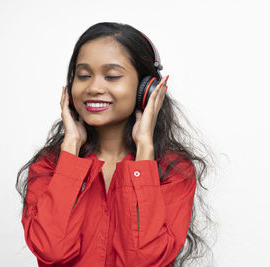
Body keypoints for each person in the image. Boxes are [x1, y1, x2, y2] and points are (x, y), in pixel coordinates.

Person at [16, 22, 215, 267]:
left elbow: (141, 260)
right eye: (83, 76)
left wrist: (144, 152)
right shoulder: (50, 165)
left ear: (147, 88)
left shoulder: (174, 170)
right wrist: (71, 149)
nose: (93, 87)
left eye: (112, 76)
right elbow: (52, 252)